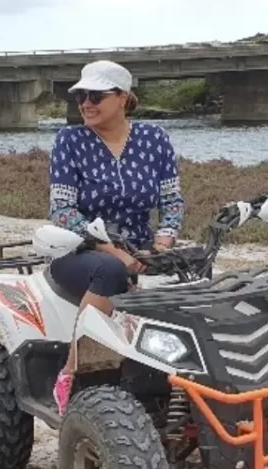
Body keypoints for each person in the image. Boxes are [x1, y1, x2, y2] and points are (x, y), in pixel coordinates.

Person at [46, 59, 185, 415]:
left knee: (193, 275)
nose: (86, 104)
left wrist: (161, 245)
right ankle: (71, 373)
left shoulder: (154, 139)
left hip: (142, 247)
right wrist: (115, 251)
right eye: (81, 97)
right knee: (110, 271)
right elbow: (62, 210)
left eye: (95, 95)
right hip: (79, 250)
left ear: (122, 97)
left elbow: (172, 201)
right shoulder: (70, 141)